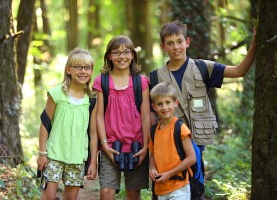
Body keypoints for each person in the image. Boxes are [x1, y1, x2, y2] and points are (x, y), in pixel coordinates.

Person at [149, 20, 256, 146]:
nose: (176, 47)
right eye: (170, 43)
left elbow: (239, 71)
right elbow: (152, 114)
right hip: (170, 143)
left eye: (179, 41)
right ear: (163, 47)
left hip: (198, 142)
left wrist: (254, 44)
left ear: (187, 42)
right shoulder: (155, 77)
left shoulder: (203, 67)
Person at [92, 35, 150, 200]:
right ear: (109, 56)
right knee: (106, 192)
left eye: (126, 52)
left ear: (132, 55)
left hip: (136, 146)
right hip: (110, 145)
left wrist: (145, 146)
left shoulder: (141, 82)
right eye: (116, 52)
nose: (121, 56)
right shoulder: (102, 81)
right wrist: (104, 144)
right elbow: (99, 117)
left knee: (133, 193)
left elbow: (145, 117)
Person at [37, 48, 98, 199]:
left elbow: (93, 132)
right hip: (53, 155)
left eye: (87, 68)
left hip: (77, 158)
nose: (83, 71)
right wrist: (42, 153)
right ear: (69, 70)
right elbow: (45, 123)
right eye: (78, 67)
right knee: (48, 196)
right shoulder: (57, 93)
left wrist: (93, 162)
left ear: (91, 71)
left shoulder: (91, 99)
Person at [149, 82, 196, 200]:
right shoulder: (154, 130)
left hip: (179, 186)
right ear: (154, 107)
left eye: (167, 102)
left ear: (175, 103)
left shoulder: (180, 128)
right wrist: (152, 168)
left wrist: (169, 174)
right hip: (161, 188)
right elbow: (152, 154)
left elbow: (191, 158)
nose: (164, 108)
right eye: (159, 104)